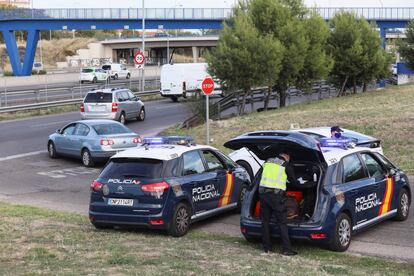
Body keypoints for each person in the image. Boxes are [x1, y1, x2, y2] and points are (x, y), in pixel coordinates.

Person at [259, 151, 298, 256]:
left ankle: (267, 248)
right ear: (287, 155)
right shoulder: (285, 165)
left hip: (263, 195)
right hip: (276, 197)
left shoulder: (267, 162)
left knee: (265, 222)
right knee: (282, 222)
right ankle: (286, 249)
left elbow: (259, 177)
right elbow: (294, 183)